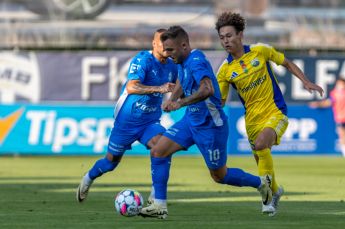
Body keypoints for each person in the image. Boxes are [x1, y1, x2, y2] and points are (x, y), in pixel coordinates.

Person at [140, 25, 273, 219]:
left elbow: (208, 89)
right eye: (165, 49)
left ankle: (261, 183)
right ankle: (159, 205)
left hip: (211, 127)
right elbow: (181, 80)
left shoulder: (196, 61)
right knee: (158, 151)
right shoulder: (181, 60)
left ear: (184, 45)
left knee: (220, 176)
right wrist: (172, 98)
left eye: (170, 50)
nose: (167, 54)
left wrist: (181, 103)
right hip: (190, 122)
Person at [214, 12, 324, 216]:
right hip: (252, 122)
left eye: (229, 36)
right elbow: (219, 101)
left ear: (240, 35)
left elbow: (287, 63)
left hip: (275, 112)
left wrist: (306, 81)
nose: (225, 41)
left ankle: (266, 201)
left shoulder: (260, 51)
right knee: (261, 154)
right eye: (221, 37)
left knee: (262, 144)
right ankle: (275, 191)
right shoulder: (225, 70)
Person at [76, 28, 177, 202]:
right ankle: (88, 178)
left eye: (169, 43)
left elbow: (177, 88)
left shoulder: (172, 66)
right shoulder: (143, 59)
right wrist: (158, 88)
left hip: (150, 122)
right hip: (126, 123)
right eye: (162, 42)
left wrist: (176, 100)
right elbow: (132, 87)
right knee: (110, 162)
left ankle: (156, 196)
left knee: (161, 148)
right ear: (154, 44)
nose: (166, 46)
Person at [309, 77, 345, 157]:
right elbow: (329, 102)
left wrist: (317, 104)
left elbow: (328, 102)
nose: (339, 85)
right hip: (340, 118)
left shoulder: (336, 93)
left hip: (341, 117)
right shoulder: (335, 93)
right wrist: (317, 104)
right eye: (338, 83)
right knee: (342, 135)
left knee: (342, 135)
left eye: (341, 83)